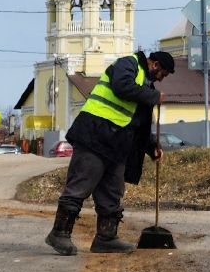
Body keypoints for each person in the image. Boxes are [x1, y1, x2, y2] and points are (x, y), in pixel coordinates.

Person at [45, 50, 175, 255]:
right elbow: (122, 86)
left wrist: (152, 147)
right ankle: (59, 233)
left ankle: (106, 238)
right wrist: (153, 97)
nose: (162, 79)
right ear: (155, 64)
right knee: (81, 184)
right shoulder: (128, 64)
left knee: (112, 192)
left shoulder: (146, 85)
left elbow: (138, 124)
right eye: (163, 73)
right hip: (95, 135)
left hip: (117, 144)